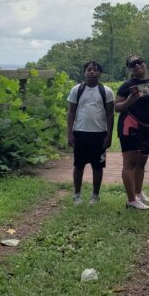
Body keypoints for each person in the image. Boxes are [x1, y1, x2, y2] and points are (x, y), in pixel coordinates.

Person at [114, 55, 149, 210]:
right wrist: (129, 101)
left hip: (148, 128)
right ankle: (131, 200)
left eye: (139, 62)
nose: (137, 65)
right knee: (130, 163)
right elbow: (117, 107)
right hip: (131, 126)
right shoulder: (127, 85)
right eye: (132, 64)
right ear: (130, 69)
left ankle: (138, 192)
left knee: (141, 163)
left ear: (145, 63)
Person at [66, 61, 115, 205]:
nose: (92, 72)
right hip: (80, 133)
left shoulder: (106, 91)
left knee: (98, 166)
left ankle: (95, 195)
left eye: (95, 70)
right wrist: (70, 133)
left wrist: (109, 135)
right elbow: (71, 112)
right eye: (89, 70)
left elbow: (110, 115)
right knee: (79, 165)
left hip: (99, 134)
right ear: (84, 72)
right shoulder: (77, 90)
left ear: (100, 73)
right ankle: (77, 194)